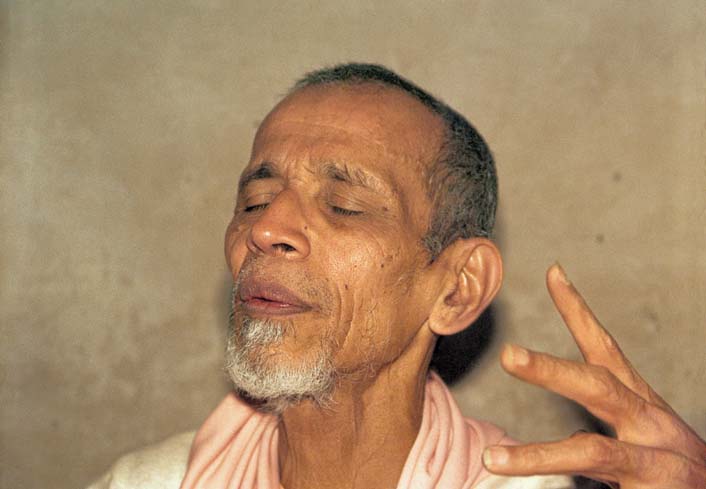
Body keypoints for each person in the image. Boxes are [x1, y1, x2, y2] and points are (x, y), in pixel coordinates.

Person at [88, 63, 706, 489]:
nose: (266, 229)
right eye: (255, 201)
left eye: (344, 205)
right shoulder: (150, 481)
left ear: (457, 288)